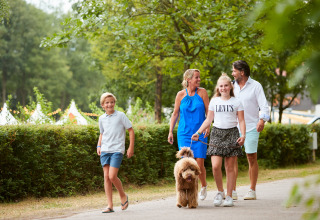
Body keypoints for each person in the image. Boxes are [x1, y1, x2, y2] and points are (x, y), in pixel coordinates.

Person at [191, 73, 246, 207]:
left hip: (232, 133)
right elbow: (208, 120)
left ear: (230, 87)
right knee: (215, 166)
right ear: (218, 88)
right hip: (217, 133)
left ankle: (229, 196)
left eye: (226, 85)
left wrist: (243, 135)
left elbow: (242, 120)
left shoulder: (237, 102)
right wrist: (198, 132)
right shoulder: (215, 101)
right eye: (221, 86)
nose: (223, 88)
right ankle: (220, 192)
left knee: (229, 168)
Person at [168, 69, 210, 200]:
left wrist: (207, 126)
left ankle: (203, 186)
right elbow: (175, 114)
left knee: (199, 165)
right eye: (196, 77)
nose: (199, 79)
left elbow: (209, 111)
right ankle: (188, 194)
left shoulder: (202, 93)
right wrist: (170, 131)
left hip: (200, 132)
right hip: (184, 134)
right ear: (188, 79)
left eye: (199, 77)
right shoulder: (180, 95)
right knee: (186, 166)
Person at [231, 60, 270, 200]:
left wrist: (262, 120)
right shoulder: (231, 87)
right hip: (233, 127)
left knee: (251, 157)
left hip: (251, 126)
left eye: (234, 71)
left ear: (242, 72)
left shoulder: (256, 86)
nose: (232, 73)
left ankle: (252, 190)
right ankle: (232, 190)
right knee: (232, 158)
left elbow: (264, 106)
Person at [97, 92, 135, 213]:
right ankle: (110, 205)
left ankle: (123, 195)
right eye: (107, 103)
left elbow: (131, 130)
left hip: (117, 150)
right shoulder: (101, 118)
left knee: (112, 176)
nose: (110, 104)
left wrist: (131, 147)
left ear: (115, 103)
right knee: (106, 178)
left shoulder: (120, 115)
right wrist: (99, 145)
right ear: (103, 105)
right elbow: (102, 133)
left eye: (112, 102)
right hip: (105, 150)